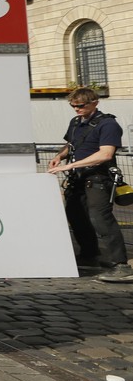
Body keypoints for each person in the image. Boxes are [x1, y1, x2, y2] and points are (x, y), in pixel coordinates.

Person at [49, 87, 132, 281]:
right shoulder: (76, 122)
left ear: (95, 103)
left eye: (80, 106)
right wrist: (60, 156)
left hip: (98, 179)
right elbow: (71, 144)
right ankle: (89, 255)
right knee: (75, 216)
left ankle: (121, 265)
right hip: (77, 179)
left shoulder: (108, 124)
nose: (76, 109)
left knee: (101, 220)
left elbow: (106, 154)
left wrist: (70, 165)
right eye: (73, 106)